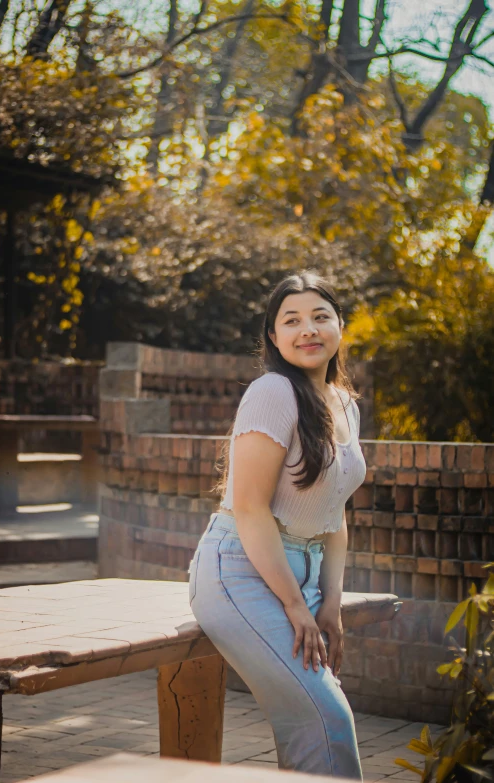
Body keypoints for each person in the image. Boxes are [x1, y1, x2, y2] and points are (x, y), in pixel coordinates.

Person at [188, 270, 367, 778]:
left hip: (306, 574)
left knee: (307, 719)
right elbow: (249, 508)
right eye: (292, 320)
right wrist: (295, 604)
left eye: (320, 316)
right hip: (242, 570)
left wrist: (330, 601)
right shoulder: (272, 391)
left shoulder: (345, 405)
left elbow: (336, 513)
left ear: (339, 326)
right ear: (273, 336)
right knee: (326, 716)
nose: (307, 329)